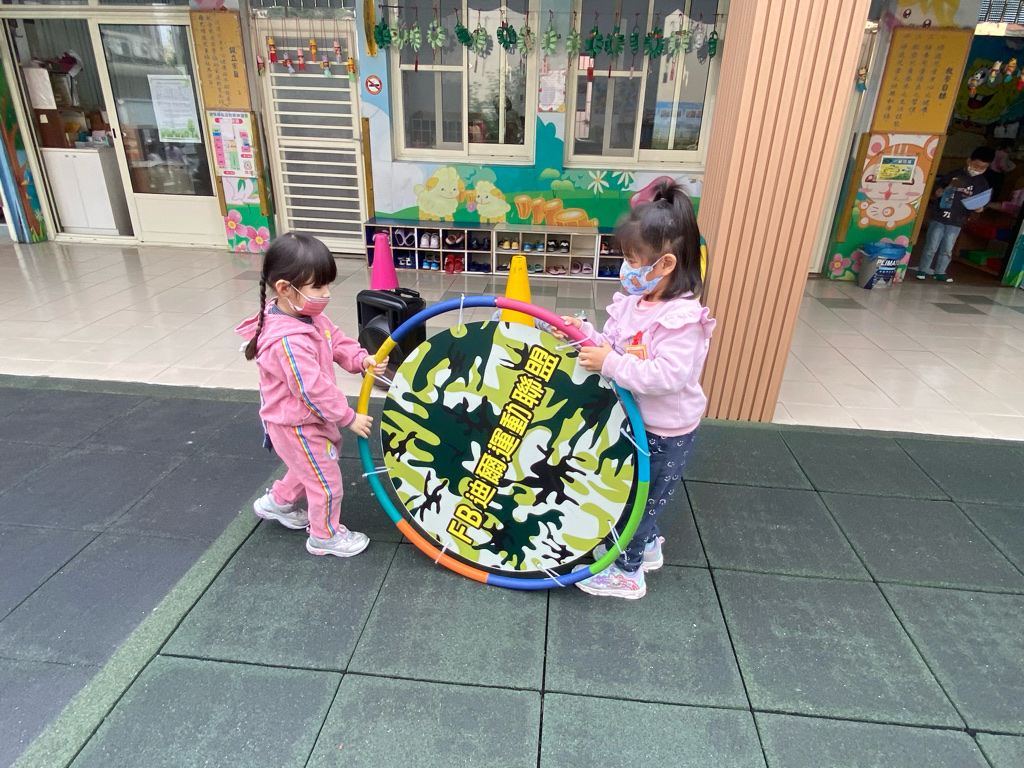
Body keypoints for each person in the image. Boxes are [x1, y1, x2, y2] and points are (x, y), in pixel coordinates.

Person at [554, 179, 716, 599]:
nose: (625, 268)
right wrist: (583, 333)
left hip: (665, 431)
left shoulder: (681, 319)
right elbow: (612, 346)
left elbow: (667, 376)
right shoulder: (633, 302)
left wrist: (609, 363)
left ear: (665, 264)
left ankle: (627, 572)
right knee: (635, 491)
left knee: (636, 502)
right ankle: (646, 547)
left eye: (631, 259)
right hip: (636, 421)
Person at [236, 233, 387, 558]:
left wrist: (361, 359)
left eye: (327, 284)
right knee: (325, 481)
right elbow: (311, 388)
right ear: (284, 288)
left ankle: (278, 502)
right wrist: (348, 417)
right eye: (317, 287)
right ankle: (324, 536)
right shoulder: (288, 341)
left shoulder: (307, 314)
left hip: (304, 418)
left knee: (310, 468)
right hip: (295, 425)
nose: (326, 293)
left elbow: (336, 340)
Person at [916, 146, 995, 283]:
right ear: (968, 161)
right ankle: (922, 269)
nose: (978, 169)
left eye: (983, 168)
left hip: (957, 220)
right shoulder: (954, 175)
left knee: (948, 248)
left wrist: (979, 208)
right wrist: (939, 192)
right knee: (931, 245)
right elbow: (937, 189)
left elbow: (983, 204)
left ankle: (940, 272)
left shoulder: (982, 183)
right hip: (940, 215)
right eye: (976, 166)